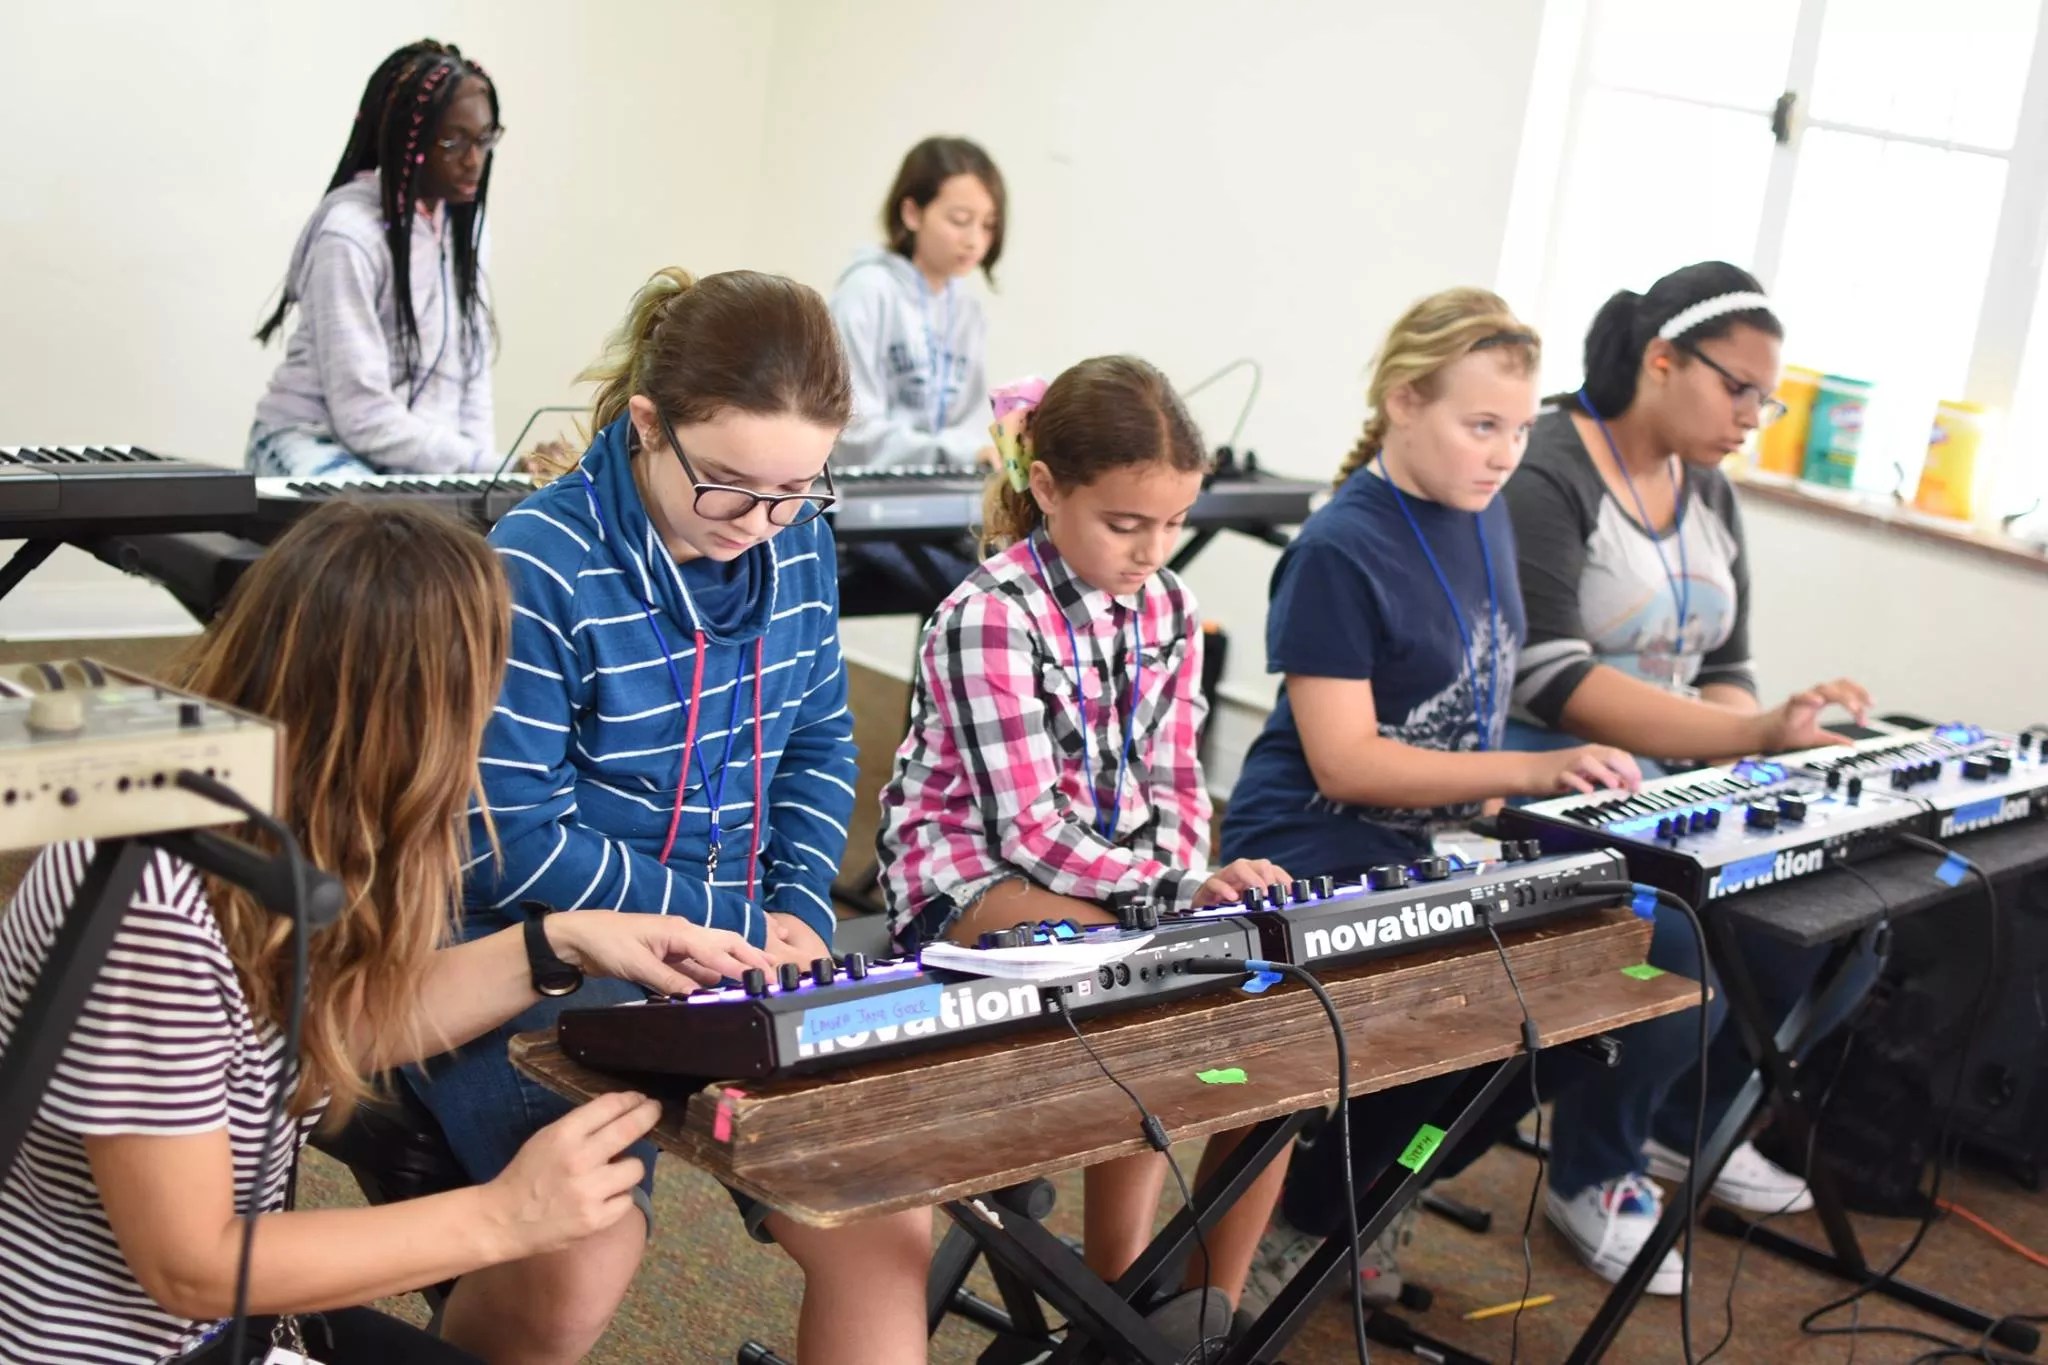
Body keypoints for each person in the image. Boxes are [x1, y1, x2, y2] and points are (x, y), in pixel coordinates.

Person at [0, 500, 772, 1365]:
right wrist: (504, 1215)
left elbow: (321, 1031)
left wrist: (556, 942)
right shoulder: (154, 904)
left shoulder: (262, 810)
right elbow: (191, 1266)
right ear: (409, 713)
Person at [404, 267, 932, 1365]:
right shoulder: (539, 563)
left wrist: (798, 910)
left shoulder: (793, 543)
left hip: (731, 939)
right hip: (534, 946)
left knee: (885, 1222)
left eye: (795, 491)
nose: (761, 522)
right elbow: (510, 842)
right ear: (648, 424)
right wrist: (723, 918)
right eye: (729, 487)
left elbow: (819, 742)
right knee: (578, 1249)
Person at [1216, 289, 1640, 1309]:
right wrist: (1530, 773)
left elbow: (1466, 725)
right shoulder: (1338, 547)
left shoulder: (1481, 514)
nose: (1504, 454)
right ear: (1403, 400)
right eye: (1480, 424)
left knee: (1583, 1015)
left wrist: (1533, 807)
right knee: (1457, 1007)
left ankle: (1373, 1190)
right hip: (1311, 844)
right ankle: (1315, 1213)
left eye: (1519, 429)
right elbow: (1345, 764)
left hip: (1427, 843)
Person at [877, 356, 1295, 1352]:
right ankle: (1119, 1300)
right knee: (1149, 976)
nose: (1153, 550)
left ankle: (1188, 1318)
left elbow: (1176, 781)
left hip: (1118, 885)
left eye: (1175, 523)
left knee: (1280, 1037)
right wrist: (1176, 889)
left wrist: (1189, 880)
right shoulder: (989, 613)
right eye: (1125, 523)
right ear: (1048, 487)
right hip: (968, 884)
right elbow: (1026, 832)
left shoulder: (1171, 608)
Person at [1502, 261, 1877, 1288]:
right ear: (1661, 359)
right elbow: (1554, 681)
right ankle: (1594, 1170)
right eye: (1738, 387)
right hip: (1555, 782)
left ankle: (1686, 1125)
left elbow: (1725, 665)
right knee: (1675, 960)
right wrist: (1747, 733)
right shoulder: (1547, 467)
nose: (1753, 415)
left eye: (1767, 398)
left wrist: (1763, 738)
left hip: (1678, 779)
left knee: (1846, 922)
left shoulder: (1705, 483)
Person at [248, 41, 501, 478]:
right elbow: (360, 414)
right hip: (311, 439)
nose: (473, 161)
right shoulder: (349, 234)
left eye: (484, 139)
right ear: (409, 140)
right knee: (375, 521)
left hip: (405, 459)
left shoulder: (467, 228)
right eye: (453, 141)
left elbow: (470, 378)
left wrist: (490, 477)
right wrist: (480, 464)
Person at [829, 136, 1003, 471]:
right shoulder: (867, 291)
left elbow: (971, 422)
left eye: (988, 226)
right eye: (960, 220)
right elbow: (851, 431)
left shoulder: (967, 309)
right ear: (912, 213)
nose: (975, 241)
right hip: (866, 490)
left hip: (944, 489)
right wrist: (952, 453)